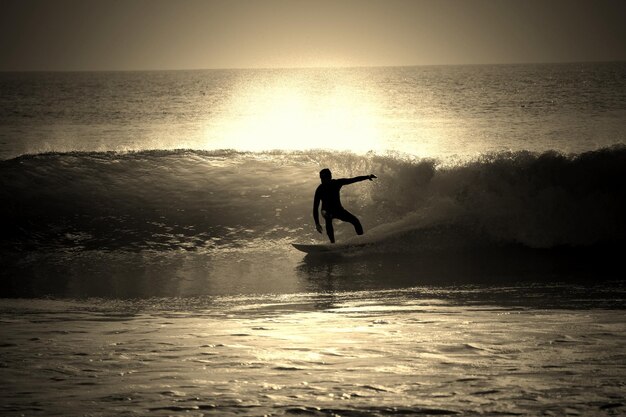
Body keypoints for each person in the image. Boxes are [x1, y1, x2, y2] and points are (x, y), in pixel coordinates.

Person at [313, 168, 377, 243]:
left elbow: (353, 180)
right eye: (322, 178)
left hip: (338, 210)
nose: (323, 180)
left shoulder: (336, 183)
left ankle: (362, 240)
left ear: (330, 177)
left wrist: (367, 176)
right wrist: (317, 223)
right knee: (327, 216)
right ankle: (333, 243)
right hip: (326, 211)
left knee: (356, 221)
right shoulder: (319, 189)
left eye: (324, 178)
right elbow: (315, 207)